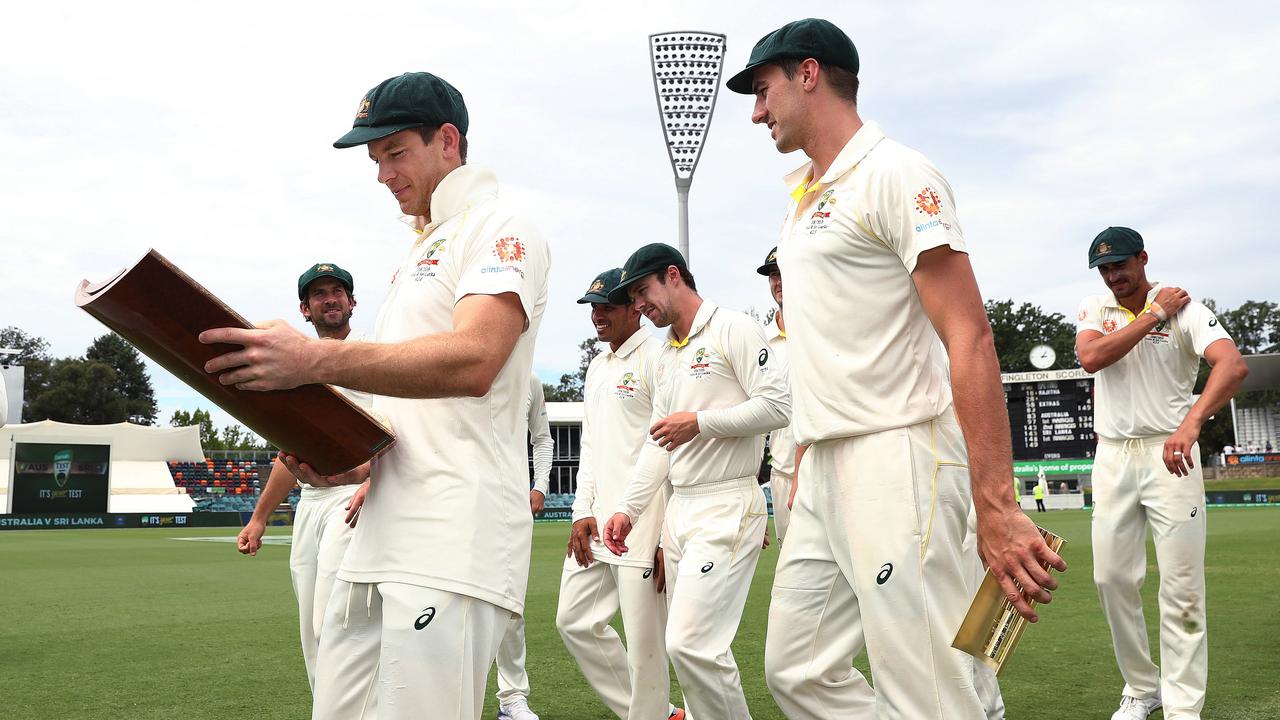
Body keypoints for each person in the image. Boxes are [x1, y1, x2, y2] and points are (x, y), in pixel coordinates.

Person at [728, 18, 1065, 719]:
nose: (757, 111)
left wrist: (997, 506)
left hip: (898, 454)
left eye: (763, 91)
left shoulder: (897, 174)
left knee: (928, 689)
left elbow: (968, 335)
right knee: (796, 671)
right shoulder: (808, 198)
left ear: (809, 74)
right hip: (822, 464)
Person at [200, 71, 551, 720]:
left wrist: (312, 360)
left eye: (395, 153)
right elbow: (404, 419)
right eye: (374, 160)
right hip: (376, 531)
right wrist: (345, 459)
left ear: (448, 142)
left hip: (453, 535)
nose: (383, 175)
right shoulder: (418, 251)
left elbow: (476, 361)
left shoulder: (503, 227)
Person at [602, 243, 790, 719]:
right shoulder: (664, 354)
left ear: (673, 276)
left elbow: (778, 407)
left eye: (643, 291)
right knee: (691, 651)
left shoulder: (734, 329)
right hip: (681, 511)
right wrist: (629, 509)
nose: (639, 306)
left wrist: (701, 423)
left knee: (691, 645)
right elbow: (658, 441)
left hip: (728, 503)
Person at [1076, 226, 1247, 720]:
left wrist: (1192, 423)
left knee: (1182, 584)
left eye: (1121, 265)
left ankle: (1182, 706)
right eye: (1105, 269)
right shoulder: (1096, 308)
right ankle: (1141, 687)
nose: (1114, 277)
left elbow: (1232, 366)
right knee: (1110, 578)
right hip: (1112, 456)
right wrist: (1153, 314)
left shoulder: (1188, 310)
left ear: (1143, 259)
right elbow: (1091, 357)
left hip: (1169, 455)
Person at [236, 263, 374, 694]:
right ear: (304, 309)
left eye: (338, 291)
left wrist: (375, 481)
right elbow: (287, 455)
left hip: (356, 499)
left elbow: (407, 434)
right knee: (311, 628)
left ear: (352, 302)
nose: (330, 299)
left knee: (336, 620)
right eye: (319, 294)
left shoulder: (376, 357)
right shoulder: (291, 372)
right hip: (311, 502)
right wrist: (259, 519)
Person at [556, 268, 685, 720]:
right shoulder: (596, 367)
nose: (597, 316)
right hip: (598, 522)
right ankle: (662, 713)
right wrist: (580, 511)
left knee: (645, 648)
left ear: (634, 306)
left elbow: (667, 448)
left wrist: (667, 534)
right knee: (573, 621)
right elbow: (590, 446)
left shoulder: (659, 357)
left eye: (607, 305)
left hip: (644, 525)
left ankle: (652, 714)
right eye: (593, 307)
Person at [491, 373, 554, 720]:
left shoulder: (528, 379)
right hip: (459, 501)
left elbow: (542, 440)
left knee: (510, 604)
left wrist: (540, 485)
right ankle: (457, 693)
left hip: (512, 503)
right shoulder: (457, 367)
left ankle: (512, 697)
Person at [756, 247, 797, 542]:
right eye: (773, 275)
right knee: (793, 577)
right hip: (782, 476)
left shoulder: (827, 329)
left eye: (784, 273)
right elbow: (756, 418)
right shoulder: (761, 342)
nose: (778, 282)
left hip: (831, 470)